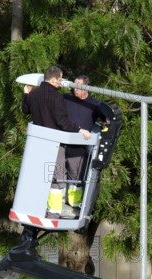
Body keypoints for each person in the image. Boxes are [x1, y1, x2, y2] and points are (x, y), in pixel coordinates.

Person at [22, 66, 91, 219]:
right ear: (54, 80)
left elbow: (25, 110)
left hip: (38, 143)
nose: (61, 83)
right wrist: (79, 130)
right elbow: (62, 121)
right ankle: (55, 211)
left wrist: (25, 95)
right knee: (57, 178)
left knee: (42, 176)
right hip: (55, 143)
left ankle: (42, 206)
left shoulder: (33, 95)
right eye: (60, 79)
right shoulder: (57, 97)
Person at [63, 75, 107, 210]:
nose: (74, 89)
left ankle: (74, 205)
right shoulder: (66, 98)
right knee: (54, 177)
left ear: (86, 88)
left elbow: (107, 120)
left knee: (76, 177)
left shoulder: (95, 104)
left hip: (79, 147)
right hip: (60, 144)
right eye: (73, 85)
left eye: (78, 86)